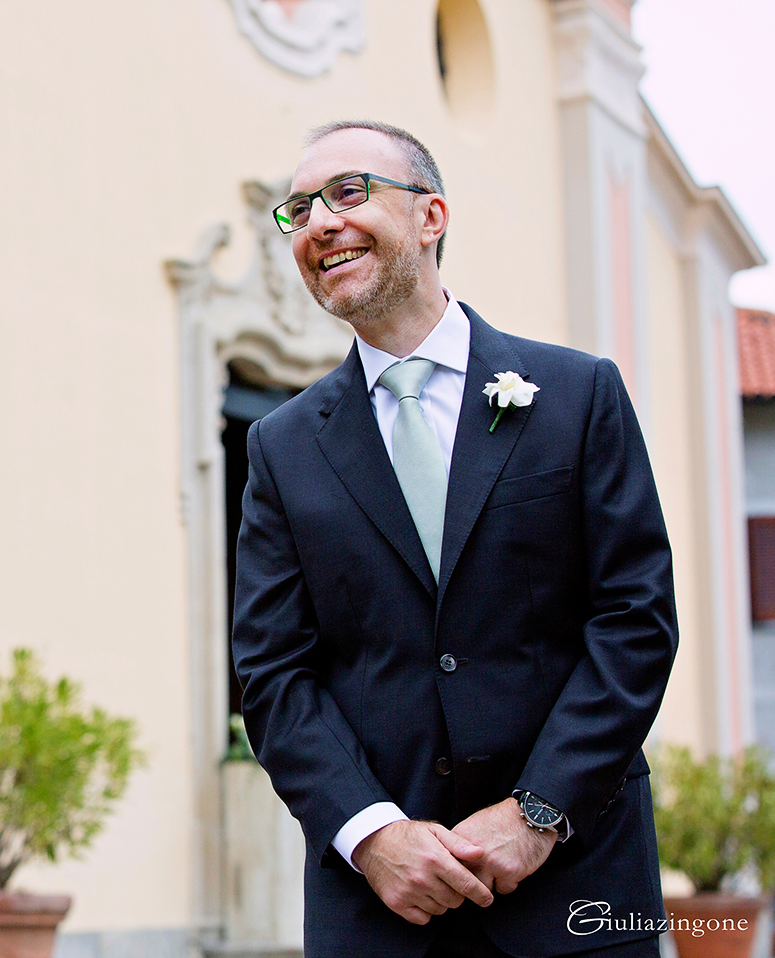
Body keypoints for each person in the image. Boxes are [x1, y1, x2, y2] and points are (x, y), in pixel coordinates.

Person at [231, 119, 677, 958]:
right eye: (299, 209)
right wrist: (370, 835)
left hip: (578, 888)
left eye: (349, 191)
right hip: (381, 911)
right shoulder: (281, 447)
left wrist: (539, 812)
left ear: (431, 216)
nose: (319, 221)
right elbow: (273, 674)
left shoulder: (580, 397)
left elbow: (635, 622)